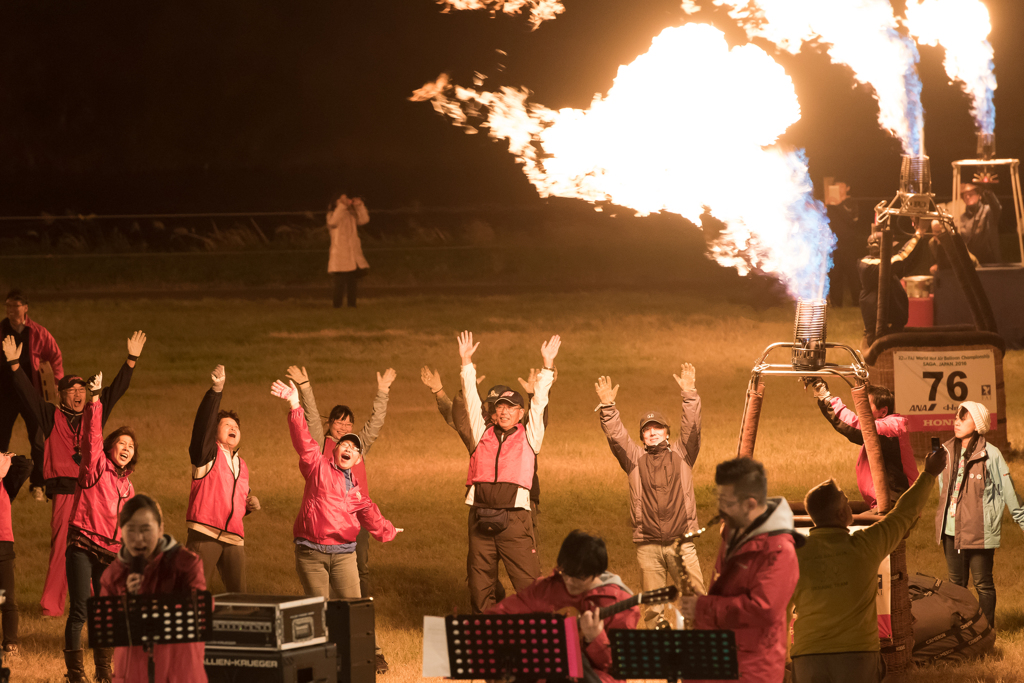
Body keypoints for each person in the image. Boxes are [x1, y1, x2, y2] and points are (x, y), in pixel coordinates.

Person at [2, 331, 144, 617]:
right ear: (60, 395)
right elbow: (27, 395)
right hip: (66, 490)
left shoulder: (95, 412)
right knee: (60, 548)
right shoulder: (49, 415)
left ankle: (96, 602)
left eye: (81, 390)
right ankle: (51, 605)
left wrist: (131, 359)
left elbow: (115, 391)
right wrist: (15, 364)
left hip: (93, 492)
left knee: (95, 546)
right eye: (72, 391)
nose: (79, 394)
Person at [790, 445, 947, 682]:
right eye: (845, 501)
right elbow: (904, 513)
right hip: (859, 656)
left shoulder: (794, 557)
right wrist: (929, 474)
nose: (850, 503)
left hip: (808, 656)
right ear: (842, 515)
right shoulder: (866, 545)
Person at [284, 364, 396, 673]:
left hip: (351, 529)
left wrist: (383, 391)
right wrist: (303, 391)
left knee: (358, 585)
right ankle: (323, 658)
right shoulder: (322, 453)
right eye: (339, 423)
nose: (344, 429)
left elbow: (375, 424)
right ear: (331, 425)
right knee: (320, 604)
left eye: (349, 424)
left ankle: (369, 651)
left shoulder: (358, 449)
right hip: (317, 538)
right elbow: (306, 429)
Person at [594, 363, 704, 629]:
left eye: (657, 428)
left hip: (682, 544)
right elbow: (616, 436)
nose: (652, 432)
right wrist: (608, 408)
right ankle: (659, 656)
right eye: (647, 429)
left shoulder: (683, 455)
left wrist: (689, 394)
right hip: (648, 546)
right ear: (642, 436)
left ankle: (701, 652)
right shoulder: (634, 460)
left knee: (697, 605)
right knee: (653, 610)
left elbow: (692, 426)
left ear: (667, 432)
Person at [458, 330, 559, 612]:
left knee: (529, 586)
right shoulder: (482, 434)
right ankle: (487, 646)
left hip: (515, 521)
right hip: (479, 518)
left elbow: (539, 404)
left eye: (511, 408)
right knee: (480, 587)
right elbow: (469, 399)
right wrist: (466, 362)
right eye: (500, 407)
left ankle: (544, 643)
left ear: (520, 414)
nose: (504, 412)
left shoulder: (529, 435)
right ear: (493, 412)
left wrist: (547, 366)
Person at [678, 458, 801, 683]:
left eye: (726, 501)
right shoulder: (734, 534)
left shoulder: (780, 551)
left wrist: (703, 607)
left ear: (750, 505)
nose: (720, 508)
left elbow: (763, 609)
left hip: (751, 671)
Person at [486, 530, 640, 683]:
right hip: (548, 676)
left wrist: (596, 638)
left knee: (569, 655)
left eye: (579, 577)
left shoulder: (620, 602)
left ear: (596, 573)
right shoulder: (548, 588)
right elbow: (496, 616)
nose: (569, 581)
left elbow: (619, 668)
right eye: (565, 573)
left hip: (595, 679)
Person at [64, 376, 138, 683]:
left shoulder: (129, 487)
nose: (125, 448)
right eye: (121, 443)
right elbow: (91, 438)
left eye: (130, 446)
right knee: (81, 610)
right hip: (82, 545)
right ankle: (75, 674)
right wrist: (95, 401)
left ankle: (104, 673)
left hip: (111, 554)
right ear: (110, 448)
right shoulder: (96, 468)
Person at [934, 401, 1024, 630]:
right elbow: (942, 488)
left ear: (978, 424)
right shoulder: (945, 450)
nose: (956, 421)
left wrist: (1022, 520)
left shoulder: (991, 455)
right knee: (955, 585)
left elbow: (1008, 491)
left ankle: (986, 631)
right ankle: (962, 633)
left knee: (983, 583)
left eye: (963, 418)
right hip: (951, 532)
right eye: (956, 417)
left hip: (979, 531)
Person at [100, 494, 207, 682]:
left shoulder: (185, 564)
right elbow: (107, 629)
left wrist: (150, 603)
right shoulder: (114, 575)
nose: (138, 538)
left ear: (160, 530)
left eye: (145, 530)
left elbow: (200, 612)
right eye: (130, 530)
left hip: (178, 675)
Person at [186, 365, 260, 593]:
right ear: (214, 431)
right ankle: (191, 630)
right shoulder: (206, 454)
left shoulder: (242, 464)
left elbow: (233, 499)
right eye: (227, 424)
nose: (233, 428)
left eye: (236, 426)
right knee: (193, 595)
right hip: (205, 533)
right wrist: (216, 391)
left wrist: (249, 505)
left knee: (240, 598)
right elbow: (203, 426)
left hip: (234, 538)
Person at [804, 379, 919, 510]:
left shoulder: (891, 428)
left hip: (897, 503)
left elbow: (855, 427)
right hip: (892, 501)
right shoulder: (889, 428)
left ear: (883, 412)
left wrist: (826, 398)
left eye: (866, 406)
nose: (861, 412)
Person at [0, 288, 63, 496]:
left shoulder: (37, 332)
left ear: (25, 308)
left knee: (37, 442)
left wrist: (56, 383)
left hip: (30, 395)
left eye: (15, 306)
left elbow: (54, 357)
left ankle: (38, 483)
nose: (11, 310)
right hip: (5, 396)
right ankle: (2, 482)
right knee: (1, 440)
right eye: (8, 305)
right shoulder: (1, 330)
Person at [858, 226, 922, 348]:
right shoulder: (867, 265)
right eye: (889, 247)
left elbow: (910, 261)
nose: (892, 250)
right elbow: (901, 258)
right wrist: (918, 234)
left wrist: (920, 237)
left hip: (893, 326)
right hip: (881, 329)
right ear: (877, 248)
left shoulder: (885, 267)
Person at [0, 452, 32, 658]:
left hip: (3, 544)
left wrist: (6, 458)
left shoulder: (6, 484)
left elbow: (26, 464)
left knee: (8, 598)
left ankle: (10, 643)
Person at [327, 194, 370, 308]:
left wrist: (359, 206)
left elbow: (364, 220)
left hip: (352, 254)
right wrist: (341, 206)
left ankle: (352, 305)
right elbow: (332, 222)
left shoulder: (351, 215)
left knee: (352, 282)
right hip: (340, 253)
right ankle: (337, 305)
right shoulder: (332, 214)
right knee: (339, 283)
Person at [825, 182, 863, 308]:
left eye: (841, 187)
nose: (839, 190)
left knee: (853, 273)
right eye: (836, 187)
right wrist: (827, 206)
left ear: (847, 188)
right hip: (834, 244)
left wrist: (839, 205)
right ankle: (836, 303)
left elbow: (852, 222)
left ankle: (857, 301)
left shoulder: (851, 203)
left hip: (849, 244)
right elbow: (826, 221)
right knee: (835, 274)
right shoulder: (830, 205)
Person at [957, 182, 1001, 265]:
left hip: (991, 261)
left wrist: (988, 191)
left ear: (979, 196)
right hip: (972, 264)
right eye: (964, 195)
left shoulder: (988, 212)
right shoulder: (960, 219)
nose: (967, 197)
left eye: (970, 194)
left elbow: (997, 208)